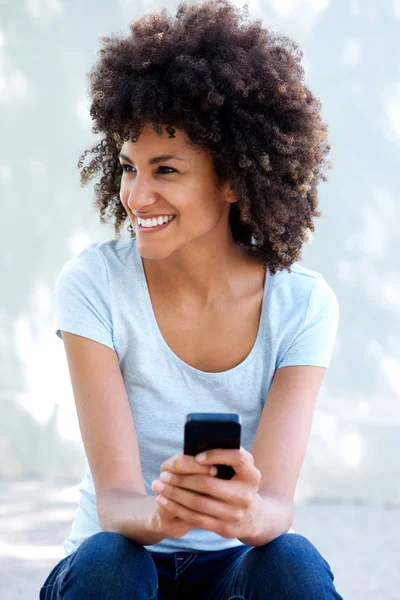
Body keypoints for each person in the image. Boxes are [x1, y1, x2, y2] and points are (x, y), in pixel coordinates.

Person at [39, 0, 344, 598]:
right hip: (122, 563)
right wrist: (161, 518)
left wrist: (245, 514)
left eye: (166, 170)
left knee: (291, 563)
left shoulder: (303, 305)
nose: (136, 194)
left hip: (231, 572)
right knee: (110, 562)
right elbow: (117, 498)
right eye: (128, 167)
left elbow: (277, 503)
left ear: (232, 178)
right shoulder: (93, 284)